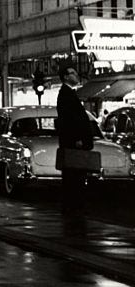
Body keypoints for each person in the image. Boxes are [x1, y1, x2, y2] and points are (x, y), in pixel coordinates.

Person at [56, 64, 94, 210]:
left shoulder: (68, 93)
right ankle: (73, 205)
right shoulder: (66, 94)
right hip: (73, 143)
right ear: (66, 76)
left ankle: (72, 204)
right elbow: (69, 119)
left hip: (73, 141)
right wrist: (77, 138)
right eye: (73, 73)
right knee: (74, 175)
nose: (76, 75)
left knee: (74, 175)